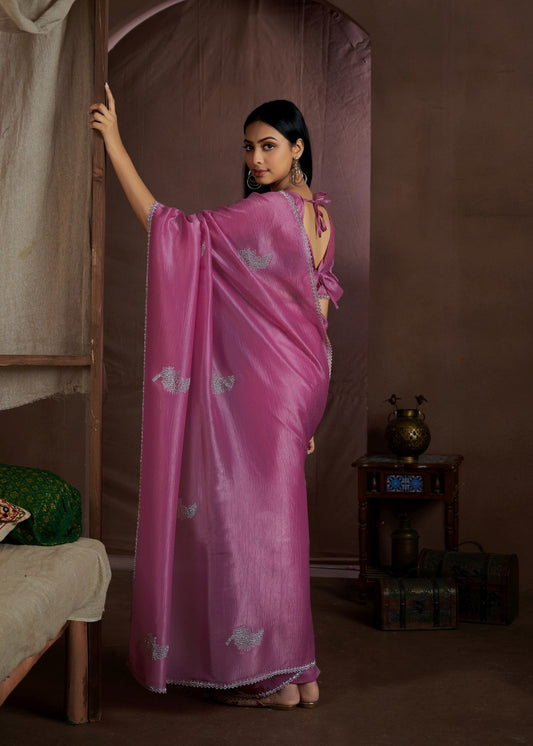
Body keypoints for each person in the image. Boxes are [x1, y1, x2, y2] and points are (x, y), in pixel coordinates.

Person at [90, 85, 342, 709]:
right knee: (277, 524)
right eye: (249, 148)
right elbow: (316, 315)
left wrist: (115, 145)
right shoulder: (320, 217)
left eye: (269, 146)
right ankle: (298, 674)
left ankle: (269, 679)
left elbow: (170, 228)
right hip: (304, 380)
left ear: (298, 148)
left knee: (249, 525)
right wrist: (309, 411)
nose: (256, 159)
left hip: (268, 382)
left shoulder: (270, 211)